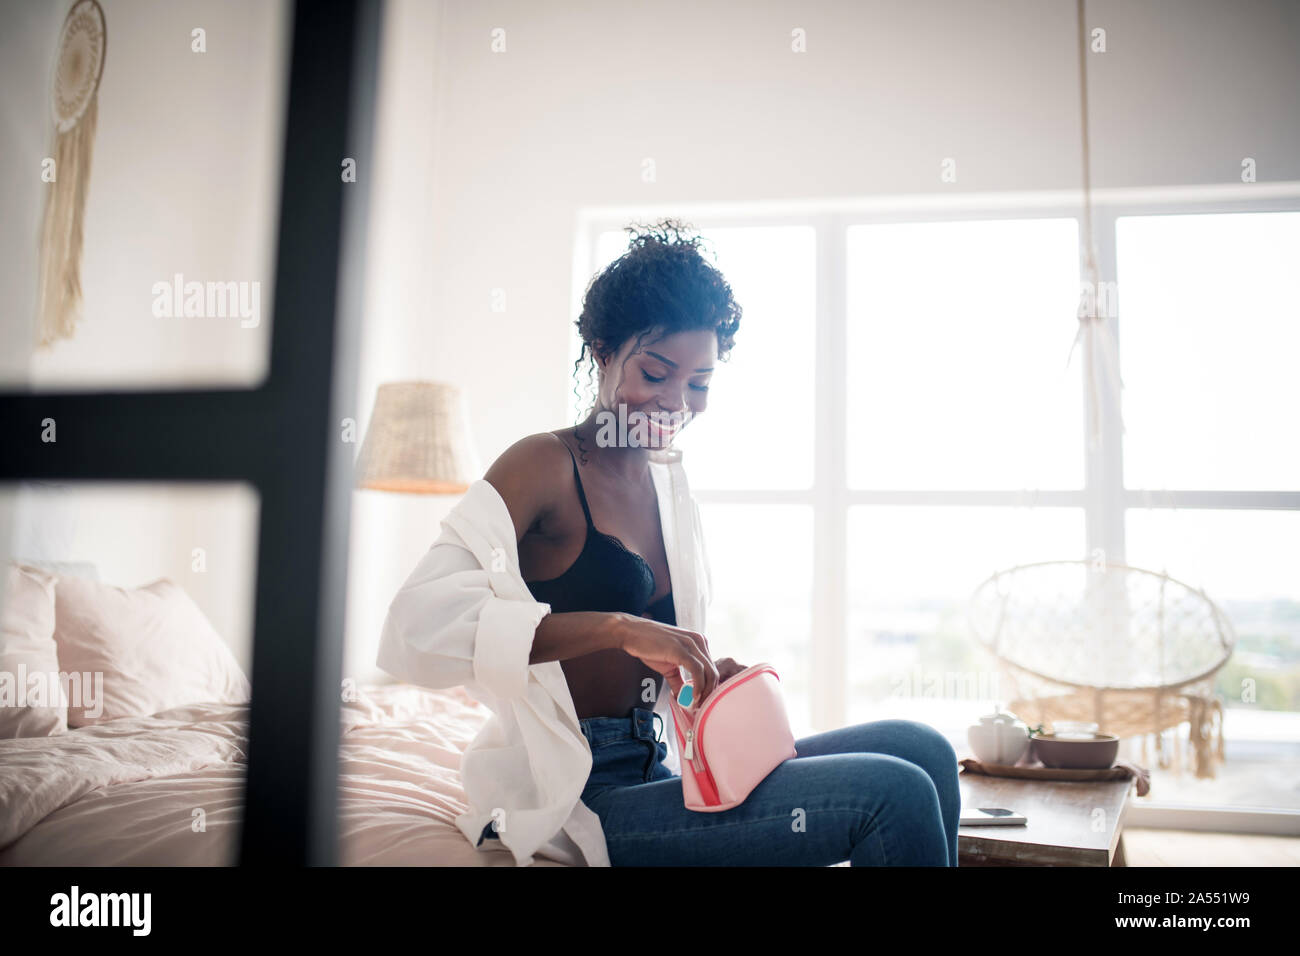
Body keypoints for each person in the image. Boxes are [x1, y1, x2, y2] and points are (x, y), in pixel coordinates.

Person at [475, 218, 960, 865]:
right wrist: (618, 627)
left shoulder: (666, 485)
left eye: (698, 383)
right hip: (583, 799)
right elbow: (439, 626)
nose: (676, 401)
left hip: (662, 756)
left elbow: (641, 666)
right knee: (890, 791)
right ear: (601, 349)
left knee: (921, 745)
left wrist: (697, 675)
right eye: (656, 372)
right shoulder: (543, 463)